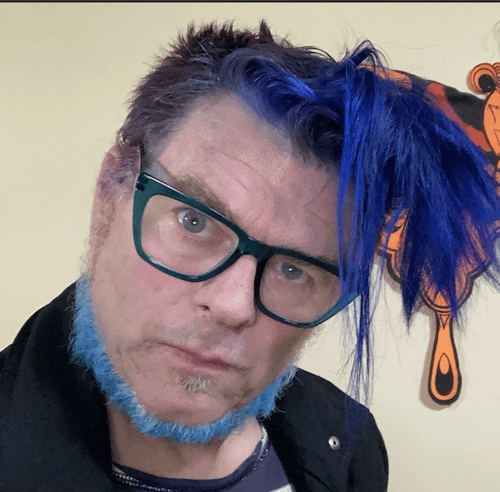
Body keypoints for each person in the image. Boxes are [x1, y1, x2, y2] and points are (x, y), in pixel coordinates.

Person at [1, 21, 499, 492]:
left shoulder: (349, 444)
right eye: (194, 222)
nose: (233, 306)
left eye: (294, 270)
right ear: (111, 194)